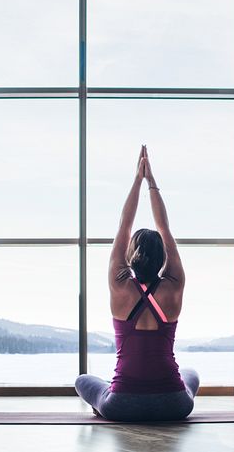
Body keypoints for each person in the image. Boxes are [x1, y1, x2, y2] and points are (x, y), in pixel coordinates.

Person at [75, 145, 199, 422]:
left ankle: (105, 400)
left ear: (132, 254)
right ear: (164, 255)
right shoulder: (174, 286)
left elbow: (124, 226)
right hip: (175, 405)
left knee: (83, 379)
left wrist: (137, 179)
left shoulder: (119, 285)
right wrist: (152, 182)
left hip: (121, 406)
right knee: (191, 374)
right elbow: (164, 228)